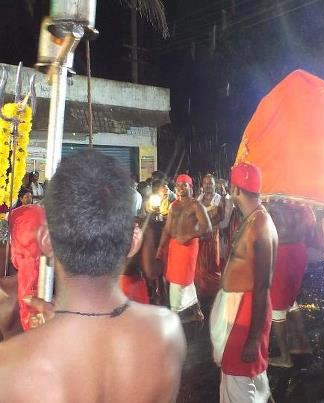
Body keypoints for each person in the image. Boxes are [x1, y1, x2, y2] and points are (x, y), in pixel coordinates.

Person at [0, 149, 186, 402]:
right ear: (134, 241)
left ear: (45, 240)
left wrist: (40, 336)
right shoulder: (167, 333)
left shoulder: (11, 367)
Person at [210, 162, 278, 403]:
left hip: (245, 314)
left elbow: (262, 286)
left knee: (237, 379)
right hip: (239, 309)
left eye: (231, 185)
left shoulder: (260, 225)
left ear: (236, 189)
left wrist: (252, 338)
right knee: (254, 380)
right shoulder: (252, 219)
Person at [157, 174, 211, 322]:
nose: (181, 187)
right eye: (179, 184)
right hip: (174, 246)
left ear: (190, 187)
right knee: (181, 279)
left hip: (188, 247)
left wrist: (188, 236)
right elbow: (167, 229)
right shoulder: (173, 205)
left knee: (179, 280)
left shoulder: (196, 205)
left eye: (184, 184)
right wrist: (160, 246)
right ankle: (197, 311)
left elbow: (207, 228)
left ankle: (174, 313)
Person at [268, 201, 315, 367]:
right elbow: (312, 228)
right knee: (290, 300)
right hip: (299, 251)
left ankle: (284, 357)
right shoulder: (303, 205)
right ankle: (303, 344)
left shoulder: (273, 206)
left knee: (277, 306)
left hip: (283, 253)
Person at [195, 174, 223, 301]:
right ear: (202, 185)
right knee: (200, 266)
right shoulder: (198, 199)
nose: (208, 186)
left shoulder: (219, 199)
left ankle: (214, 293)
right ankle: (201, 291)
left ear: (214, 185)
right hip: (200, 236)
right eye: (205, 183)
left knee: (212, 264)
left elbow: (220, 218)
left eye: (210, 183)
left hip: (212, 236)